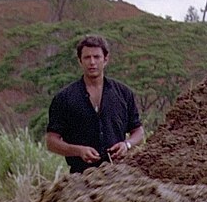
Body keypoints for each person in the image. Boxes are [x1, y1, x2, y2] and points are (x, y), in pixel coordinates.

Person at [46, 35, 144, 173]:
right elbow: (51, 141)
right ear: (80, 61)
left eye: (97, 57)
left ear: (106, 59)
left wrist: (127, 145)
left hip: (118, 174)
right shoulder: (64, 98)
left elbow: (138, 131)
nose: (92, 62)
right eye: (87, 57)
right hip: (81, 177)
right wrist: (78, 151)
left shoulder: (123, 93)